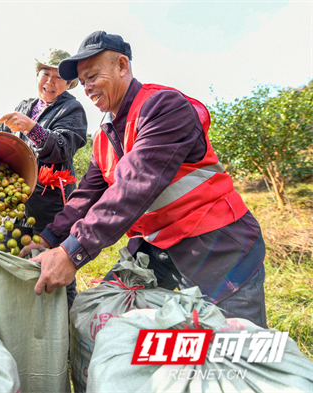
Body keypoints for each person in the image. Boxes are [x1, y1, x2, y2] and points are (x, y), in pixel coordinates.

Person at [21, 31, 267, 328]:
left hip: (216, 248)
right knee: (110, 320)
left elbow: (133, 187)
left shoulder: (164, 107)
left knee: (237, 352)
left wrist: (71, 253)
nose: (87, 87)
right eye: (83, 81)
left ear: (122, 66)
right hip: (157, 247)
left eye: (93, 75)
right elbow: (86, 196)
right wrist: (48, 238)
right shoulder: (105, 135)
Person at [0, 48, 88, 308]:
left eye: (58, 77)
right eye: (45, 73)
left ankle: (65, 332)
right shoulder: (24, 107)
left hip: (51, 206)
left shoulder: (72, 110)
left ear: (69, 83)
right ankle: (17, 315)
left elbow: (62, 147)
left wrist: (32, 128)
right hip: (17, 203)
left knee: (55, 268)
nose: (49, 81)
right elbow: (2, 145)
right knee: (6, 254)